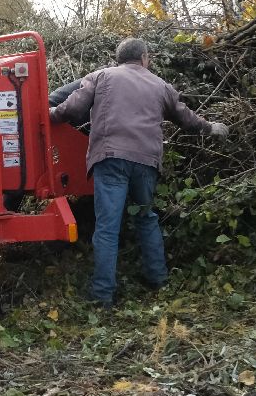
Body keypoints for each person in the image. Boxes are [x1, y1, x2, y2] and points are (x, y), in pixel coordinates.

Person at [49, 38, 227, 307]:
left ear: (118, 58)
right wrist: (211, 128)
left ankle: (103, 296)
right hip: (145, 161)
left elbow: (72, 108)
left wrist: (48, 114)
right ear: (145, 58)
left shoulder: (100, 76)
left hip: (110, 159)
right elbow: (185, 118)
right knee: (146, 217)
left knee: (108, 228)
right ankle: (158, 280)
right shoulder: (160, 85)